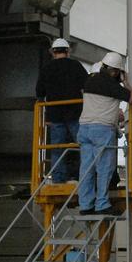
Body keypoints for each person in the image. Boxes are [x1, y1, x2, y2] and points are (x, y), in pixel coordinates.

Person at [76, 52, 132, 216]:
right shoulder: (112, 86)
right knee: (104, 168)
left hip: (84, 128)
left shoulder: (90, 80)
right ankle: (102, 203)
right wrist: (126, 82)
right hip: (102, 129)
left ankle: (85, 205)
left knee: (86, 169)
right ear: (116, 71)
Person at [35, 37, 88, 183]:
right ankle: (85, 176)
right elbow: (87, 86)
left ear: (53, 52)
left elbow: (39, 92)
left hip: (55, 114)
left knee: (57, 148)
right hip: (75, 113)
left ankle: (58, 179)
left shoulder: (47, 68)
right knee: (83, 146)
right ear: (68, 51)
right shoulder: (75, 65)